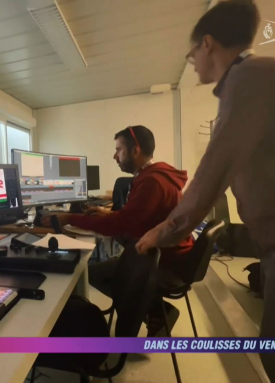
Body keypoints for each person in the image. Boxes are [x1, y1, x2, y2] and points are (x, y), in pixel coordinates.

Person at [134, 0, 275, 378]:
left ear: (207, 44)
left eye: (192, 50)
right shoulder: (255, 77)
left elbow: (210, 178)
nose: (192, 59)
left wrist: (160, 233)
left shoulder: (249, 79)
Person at [42, 125, 194, 335]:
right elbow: (132, 219)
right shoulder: (154, 174)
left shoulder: (151, 181)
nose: (115, 156)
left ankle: (154, 312)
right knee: (105, 267)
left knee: (91, 273)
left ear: (135, 150)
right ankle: (157, 312)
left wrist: (70, 217)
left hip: (164, 260)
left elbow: (120, 226)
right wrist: (105, 215)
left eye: (118, 150)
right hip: (171, 253)